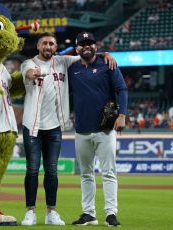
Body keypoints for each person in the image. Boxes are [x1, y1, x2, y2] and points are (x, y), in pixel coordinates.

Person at [20, 32, 117, 226]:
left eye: (52, 44)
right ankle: (30, 211)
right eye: (44, 43)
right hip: (33, 126)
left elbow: (88, 53)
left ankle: (51, 212)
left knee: (52, 172)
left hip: (55, 126)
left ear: (56, 48)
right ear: (38, 47)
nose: (48, 46)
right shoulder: (28, 63)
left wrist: (106, 54)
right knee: (32, 170)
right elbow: (28, 73)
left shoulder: (64, 61)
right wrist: (35, 74)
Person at [68, 31, 128, 227]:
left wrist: (122, 115)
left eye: (90, 43)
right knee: (86, 174)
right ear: (77, 48)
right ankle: (88, 214)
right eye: (82, 44)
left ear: (96, 46)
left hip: (105, 129)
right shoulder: (72, 67)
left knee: (108, 172)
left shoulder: (108, 65)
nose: (87, 46)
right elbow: (59, 57)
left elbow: (122, 90)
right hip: (81, 129)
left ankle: (111, 214)